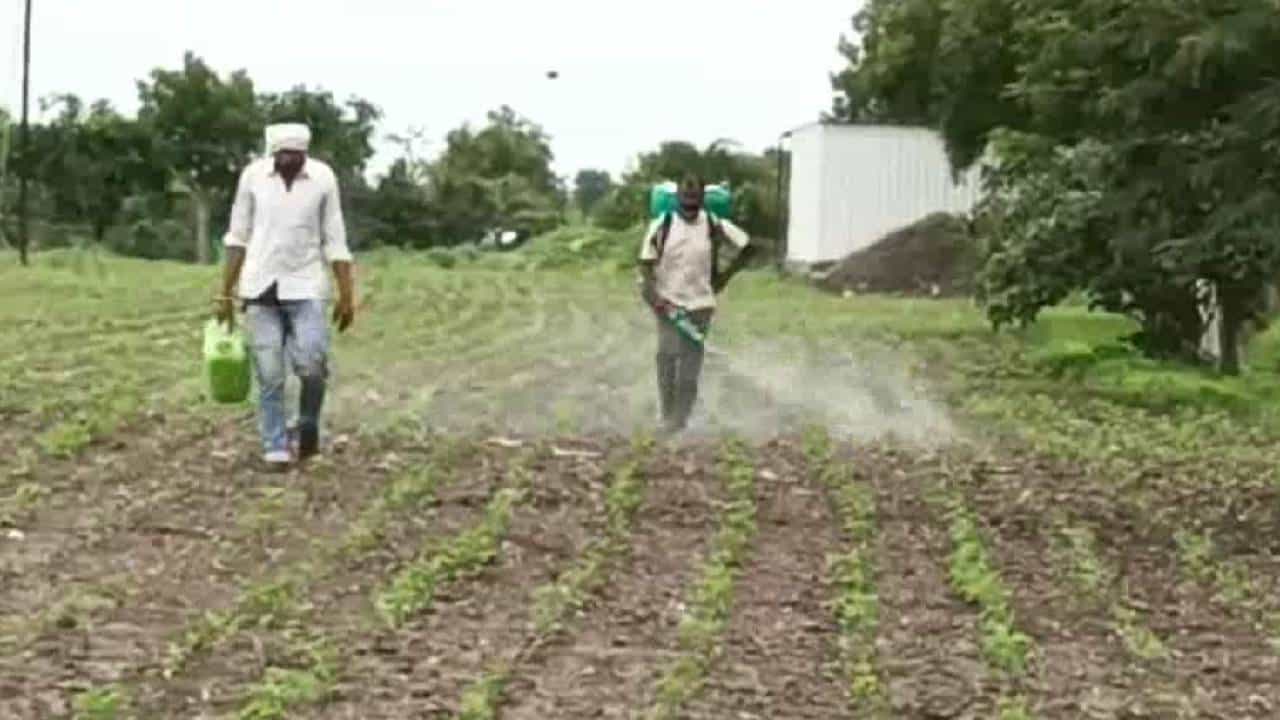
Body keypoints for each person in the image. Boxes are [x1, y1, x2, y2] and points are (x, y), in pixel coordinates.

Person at [215, 122, 356, 468]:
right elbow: (237, 237)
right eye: (283, 155)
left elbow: (335, 239)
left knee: (311, 365)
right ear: (272, 154)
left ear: (305, 154)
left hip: (306, 284)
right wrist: (224, 294)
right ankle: (275, 444)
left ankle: (307, 426)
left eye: (296, 155)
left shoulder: (323, 179)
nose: (290, 161)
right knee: (269, 372)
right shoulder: (252, 177)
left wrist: (346, 294)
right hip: (259, 286)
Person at [638, 174, 755, 434]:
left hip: (701, 304)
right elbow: (645, 264)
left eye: (695, 197)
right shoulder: (663, 223)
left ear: (702, 198)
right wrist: (655, 297)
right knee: (667, 357)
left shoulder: (713, 223)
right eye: (685, 196)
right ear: (678, 196)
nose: (690, 202)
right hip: (668, 303)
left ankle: (679, 419)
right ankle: (668, 414)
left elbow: (748, 247)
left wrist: (724, 276)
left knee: (690, 366)